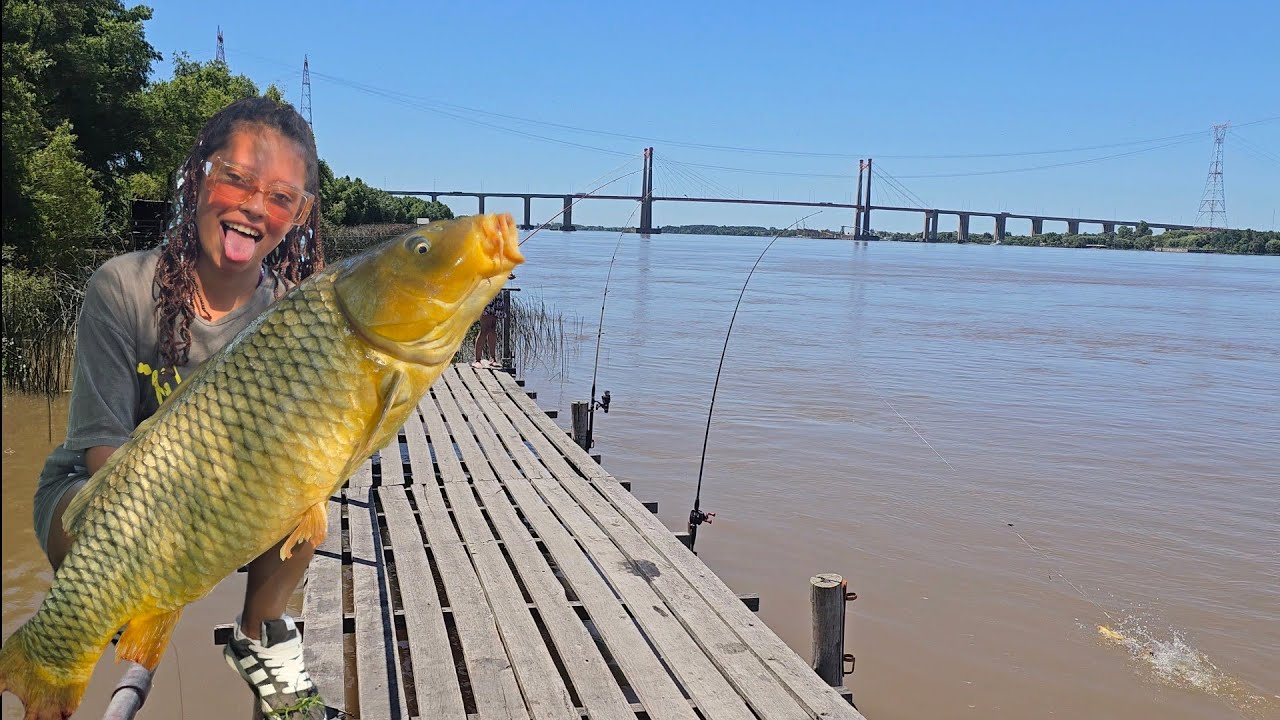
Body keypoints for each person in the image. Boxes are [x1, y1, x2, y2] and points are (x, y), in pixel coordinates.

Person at [32, 97, 333, 718]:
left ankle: (260, 633)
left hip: (229, 505)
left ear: (300, 215)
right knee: (93, 563)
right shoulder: (120, 286)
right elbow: (100, 448)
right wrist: (166, 565)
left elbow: (288, 458)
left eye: (280, 197)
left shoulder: (294, 317)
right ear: (198, 175)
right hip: (101, 497)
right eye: (237, 179)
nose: (254, 207)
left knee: (309, 505)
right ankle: (83, 635)